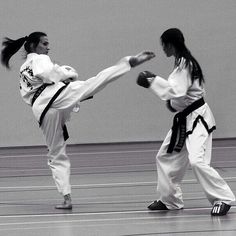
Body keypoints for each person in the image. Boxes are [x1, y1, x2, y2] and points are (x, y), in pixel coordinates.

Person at [1, 32, 155, 209]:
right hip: (55, 97)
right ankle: (128, 62)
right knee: (94, 82)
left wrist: (64, 73)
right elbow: (48, 74)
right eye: (44, 44)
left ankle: (66, 197)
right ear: (33, 46)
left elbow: (46, 77)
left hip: (42, 109)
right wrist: (66, 73)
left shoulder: (23, 68)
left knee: (55, 153)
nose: (47, 47)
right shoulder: (39, 59)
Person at [136, 28, 235, 216]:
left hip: (198, 118)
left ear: (170, 44)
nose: (163, 49)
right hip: (185, 119)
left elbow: (177, 91)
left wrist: (152, 80)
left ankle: (223, 198)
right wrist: (173, 104)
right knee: (165, 156)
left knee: (197, 161)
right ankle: (170, 199)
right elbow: (180, 94)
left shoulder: (185, 63)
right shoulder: (181, 62)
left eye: (163, 45)